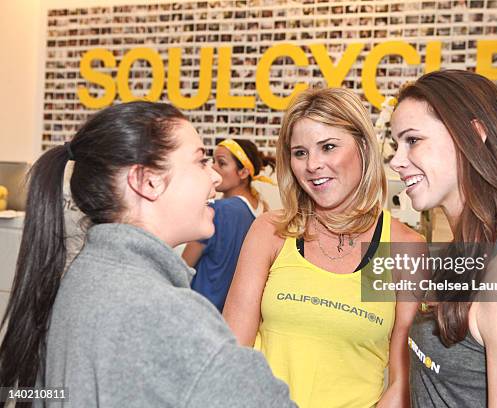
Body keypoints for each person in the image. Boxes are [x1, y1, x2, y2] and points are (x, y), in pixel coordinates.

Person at [0, 101, 295, 407]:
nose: (215, 178)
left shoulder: (85, 275)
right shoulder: (166, 312)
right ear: (148, 181)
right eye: (200, 161)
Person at [223, 87, 423, 408]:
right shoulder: (273, 232)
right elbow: (233, 354)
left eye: (328, 147)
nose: (312, 164)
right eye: (300, 153)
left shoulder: (403, 248)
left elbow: (403, 385)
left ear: (362, 147)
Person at [389, 70, 497, 407]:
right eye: (396, 145)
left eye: (413, 140)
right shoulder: (463, 251)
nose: (395, 161)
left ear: (473, 134)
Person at [182, 138, 276, 311]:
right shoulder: (262, 212)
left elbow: (182, 267)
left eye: (221, 163)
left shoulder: (218, 210)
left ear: (243, 173)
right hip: (234, 314)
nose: (213, 167)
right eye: (213, 161)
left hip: (201, 309)